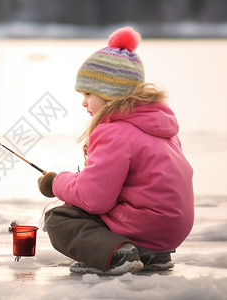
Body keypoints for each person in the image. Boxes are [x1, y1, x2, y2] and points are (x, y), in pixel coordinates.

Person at [37, 27, 194, 276]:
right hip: (170, 230)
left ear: (111, 94)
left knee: (59, 218)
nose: (84, 102)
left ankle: (116, 255)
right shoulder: (161, 126)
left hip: (143, 225)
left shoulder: (114, 132)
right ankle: (153, 255)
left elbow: (94, 199)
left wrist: (57, 182)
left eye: (88, 93)